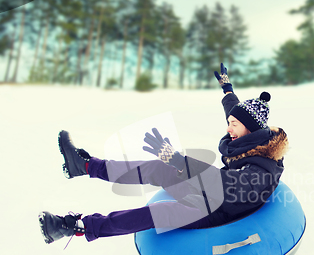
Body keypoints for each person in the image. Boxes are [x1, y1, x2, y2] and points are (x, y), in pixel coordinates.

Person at [39, 64, 289, 245]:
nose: (228, 127)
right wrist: (227, 88)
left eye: (234, 124)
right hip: (213, 192)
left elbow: (225, 184)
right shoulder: (250, 136)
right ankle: (84, 166)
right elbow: (233, 112)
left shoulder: (263, 170)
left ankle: (76, 226)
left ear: (250, 129)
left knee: (159, 212)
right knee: (159, 168)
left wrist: (180, 161)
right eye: (230, 122)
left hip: (222, 210)